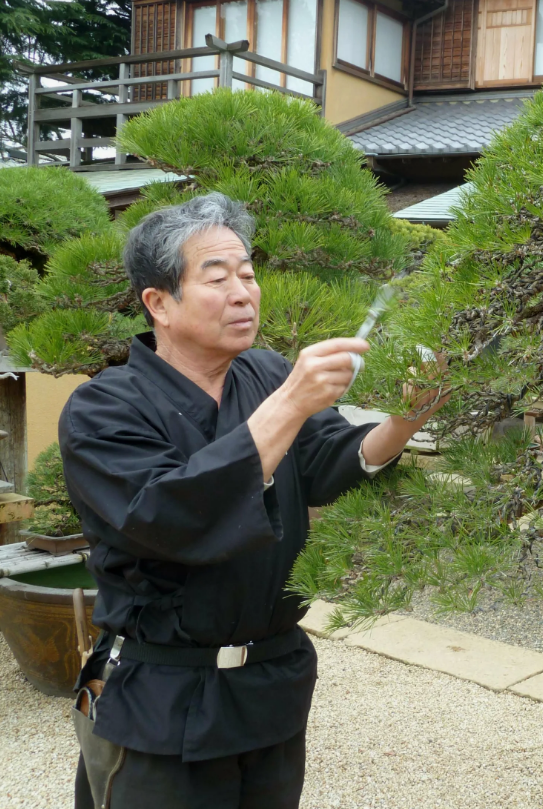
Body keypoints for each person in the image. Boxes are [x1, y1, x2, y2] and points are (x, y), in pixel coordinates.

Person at [60, 192, 447, 808]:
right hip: (163, 693)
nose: (243, 292)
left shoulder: (265, 372)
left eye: (248, 273)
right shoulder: (104, 407)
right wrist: (292, 403)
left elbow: (329, 466)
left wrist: (408, 415)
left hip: (272, 684)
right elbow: (164, 516)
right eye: (217, 277)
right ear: (158, 303)